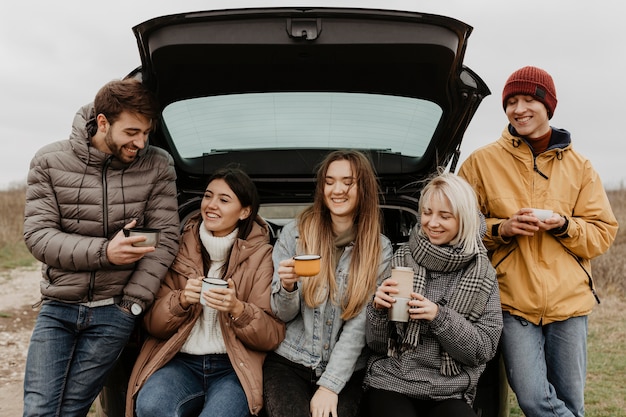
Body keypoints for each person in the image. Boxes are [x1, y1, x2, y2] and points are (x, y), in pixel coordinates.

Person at [458, 66, 619, 417]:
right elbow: (458, 230)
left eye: (530, 99)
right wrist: (502, 229)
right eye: (512, 101)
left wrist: (564, 225)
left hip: (569, 304)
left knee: (570, 402)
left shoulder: (581, 168)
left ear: (549, 106)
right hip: (512, 302)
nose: (519, 109)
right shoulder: (480, 163)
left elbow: (603, 233)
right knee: (532, 399)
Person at [22, 78, 180, 417]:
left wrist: (133, 304)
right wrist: (105, 252)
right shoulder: (49, 161)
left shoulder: (157, 164)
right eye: (132, 132)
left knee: (74, 409)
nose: (140, 142)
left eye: (146, 133)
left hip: (116, 311)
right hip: (58, 307)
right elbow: (38, 235)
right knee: (39, 410)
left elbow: (165, 239)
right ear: (103, 122)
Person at [127, 167, 286, 417]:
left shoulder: (262, 256)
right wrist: (180, 301)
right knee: (151, 406)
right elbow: (152, 324)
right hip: (180, 362)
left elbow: (272, 334)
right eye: (208, 196)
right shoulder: (178, 247)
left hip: (233, 367)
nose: (211, 205)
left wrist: (238, 309)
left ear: (245, 212)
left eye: (224, 200)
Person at [263, 150, 394, 417]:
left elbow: (359, 326)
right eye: (330, 181)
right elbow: (282, 314)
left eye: (348, 182)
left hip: (348, 370)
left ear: (363, 188)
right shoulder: (295, 234)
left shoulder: (379, 249)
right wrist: (288, 288)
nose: (337, 190)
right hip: (289, 360)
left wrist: (330, 386)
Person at [363, 172, 502, 417]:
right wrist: (377, 310)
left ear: (464, 219)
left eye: (444, 216)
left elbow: (483, 350)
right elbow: (376, 344)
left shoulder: (483, 275)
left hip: (449, 389)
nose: (432, 223)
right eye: (427, 213)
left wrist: (439, 317)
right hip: (393, 381)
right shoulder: (401, 258)